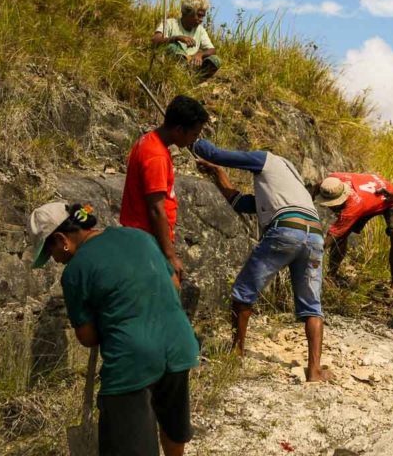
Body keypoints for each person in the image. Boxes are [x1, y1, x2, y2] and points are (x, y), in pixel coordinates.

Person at [27, 202, 199, 456]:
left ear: (62, 239)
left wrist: (106, 316)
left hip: (132, 359)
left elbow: (87, 337)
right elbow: (173, 284)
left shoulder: (75, 271)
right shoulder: (137, 235)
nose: (54, 259)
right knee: (173, 426)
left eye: (50, 250)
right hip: (179, 345)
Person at [192, 138, 334, 382]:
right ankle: (314, 371)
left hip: (286, 231)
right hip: (314, 237)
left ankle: (236, 353)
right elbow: (239, 202)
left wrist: (192, 138)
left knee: (242, 293)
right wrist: (217, 174)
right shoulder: (292, 185)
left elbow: (215, 153)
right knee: (312, 306)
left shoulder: (265, 158)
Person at [120, 95, 209, 279]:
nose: (193, 140)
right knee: (165, 292)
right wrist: (170, 255)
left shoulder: (148, 140)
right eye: (193, 134)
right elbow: (156, 209)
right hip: (145, 241)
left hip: (141, 238)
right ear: (178, 129)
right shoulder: (156, 156)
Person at [314, 173, 393, 297]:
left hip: (391, 199)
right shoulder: (329, 182)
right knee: (343, 234)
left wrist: (310, 253)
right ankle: (331, 277)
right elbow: (313, 191)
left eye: (334, 204)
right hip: (370, 195)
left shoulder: (353, 205)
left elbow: (332, 237)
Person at [152, 0, 221, 80]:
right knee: (172, 46)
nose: (201, 20)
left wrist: (200, 54)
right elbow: (155, 40)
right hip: (173, 66)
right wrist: (176, 38)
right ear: (187, 13)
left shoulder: (200, 30)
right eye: (199, 15)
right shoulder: (170, 23)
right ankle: (181, 73)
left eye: (203, 16)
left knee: (215, 60)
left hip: (193, 66)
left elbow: (212, 50)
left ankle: (196, 80)